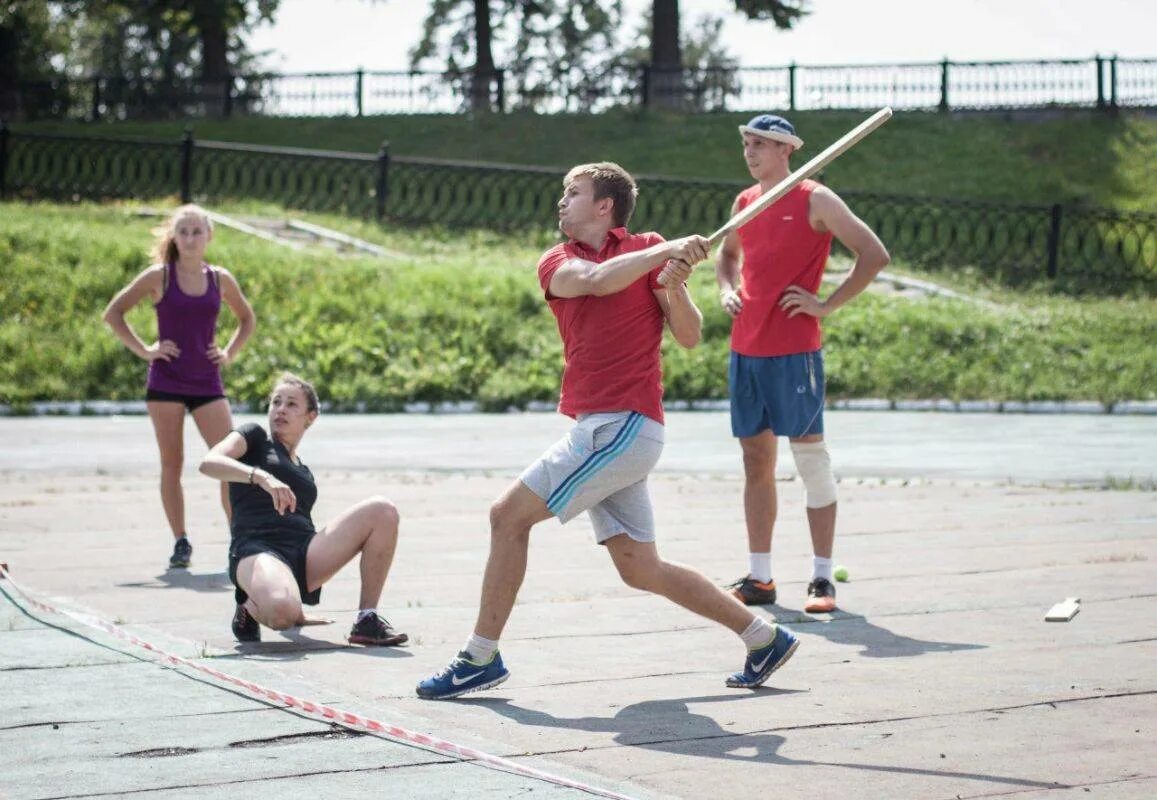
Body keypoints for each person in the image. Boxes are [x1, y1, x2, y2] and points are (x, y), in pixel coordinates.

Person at [415, 162, 798, 700]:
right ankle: (763, 637)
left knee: (507, 517)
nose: (562, 202)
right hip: (605, 429)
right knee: (641, 568)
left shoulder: (646, 249)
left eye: (574, 193)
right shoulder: (560, 260)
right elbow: (596, 282)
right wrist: (662, 256)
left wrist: (677, 285)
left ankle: (480, 657)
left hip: (623, 427)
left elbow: (688, 336)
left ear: (605, 206)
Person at [715, 114, 890, 614]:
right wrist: (728, 289)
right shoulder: (745, 203)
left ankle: (821, 580)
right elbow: (728, 257)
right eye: (746, 143)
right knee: (756, 462)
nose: (749, 152)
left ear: (786, 150)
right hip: (746, 350)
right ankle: (761, 578)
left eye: (760, 144)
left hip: (794, 352)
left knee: (810, 460)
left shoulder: (816, 198)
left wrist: (826, 304)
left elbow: (874, 255)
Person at [199, 373, 408, 646]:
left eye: (292, 404)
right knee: (282, 612)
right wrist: (260, 476)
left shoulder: (303, 470)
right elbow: (209, 462)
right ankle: (250, 604)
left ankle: (366, 620)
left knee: (383, 511)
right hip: (257, 548)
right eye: (276, 402)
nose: (281, 409)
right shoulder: (254, 438)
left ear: (310, 417)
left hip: (302, 551)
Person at [103, 204, 256, 570]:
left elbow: (247, 319)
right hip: (166, 382)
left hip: (207, 381)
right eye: (183, 231)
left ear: (209, 236)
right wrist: (145, 350)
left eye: (196, 231)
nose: (189, 238)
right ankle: (181, 541)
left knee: (229, 460)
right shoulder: (160, 277)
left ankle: (241, 541)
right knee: (173, 463)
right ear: (174, 236)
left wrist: (229, 352)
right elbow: (114, 312)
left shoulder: (220, 279)